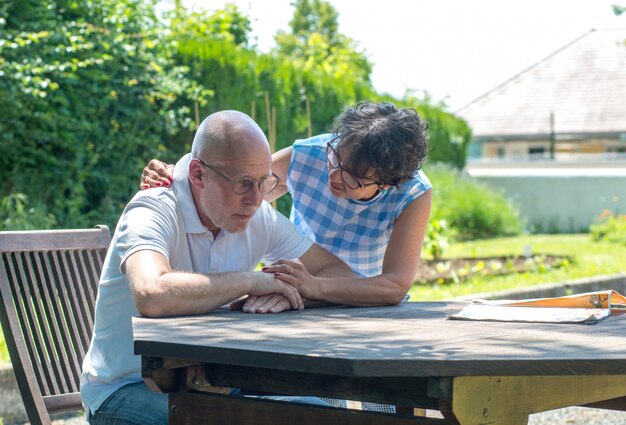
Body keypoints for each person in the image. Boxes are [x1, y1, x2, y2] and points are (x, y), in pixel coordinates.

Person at [141, 101, 433, 413]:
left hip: (364, 306)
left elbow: (393, 286)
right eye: (336, 158)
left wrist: (312, 287)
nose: (334, 175)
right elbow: (232, 187)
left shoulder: (413, 193)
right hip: (301, 306)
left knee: (384, 406)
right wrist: (180, 179)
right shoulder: (310, 155)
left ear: (388, 184)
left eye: (353, 179)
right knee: (321, 407)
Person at [80, 110, 356, 425]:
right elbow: (151, 293)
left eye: (263, 182)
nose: (256, 199)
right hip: (125, 390)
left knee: (323, 416)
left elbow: (338, 273)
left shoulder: (258, 216)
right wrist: (249, 282)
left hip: (219, 386)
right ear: (198, 175)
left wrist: (294, 291)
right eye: (243, 183)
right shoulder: (152, 208)